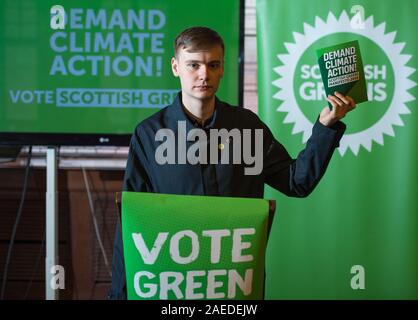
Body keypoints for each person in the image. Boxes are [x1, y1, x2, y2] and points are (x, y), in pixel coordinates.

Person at [108, 26, 356, 299]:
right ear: (176, 67)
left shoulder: (246, 127)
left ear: (222, 68)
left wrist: (325, 126)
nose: (204, 74)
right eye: (194, 65)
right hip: (172, 284)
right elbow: (131, 223)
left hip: (235, 283)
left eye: (213, 65)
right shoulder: (150, 135)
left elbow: (297, 182)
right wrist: (119, 295)